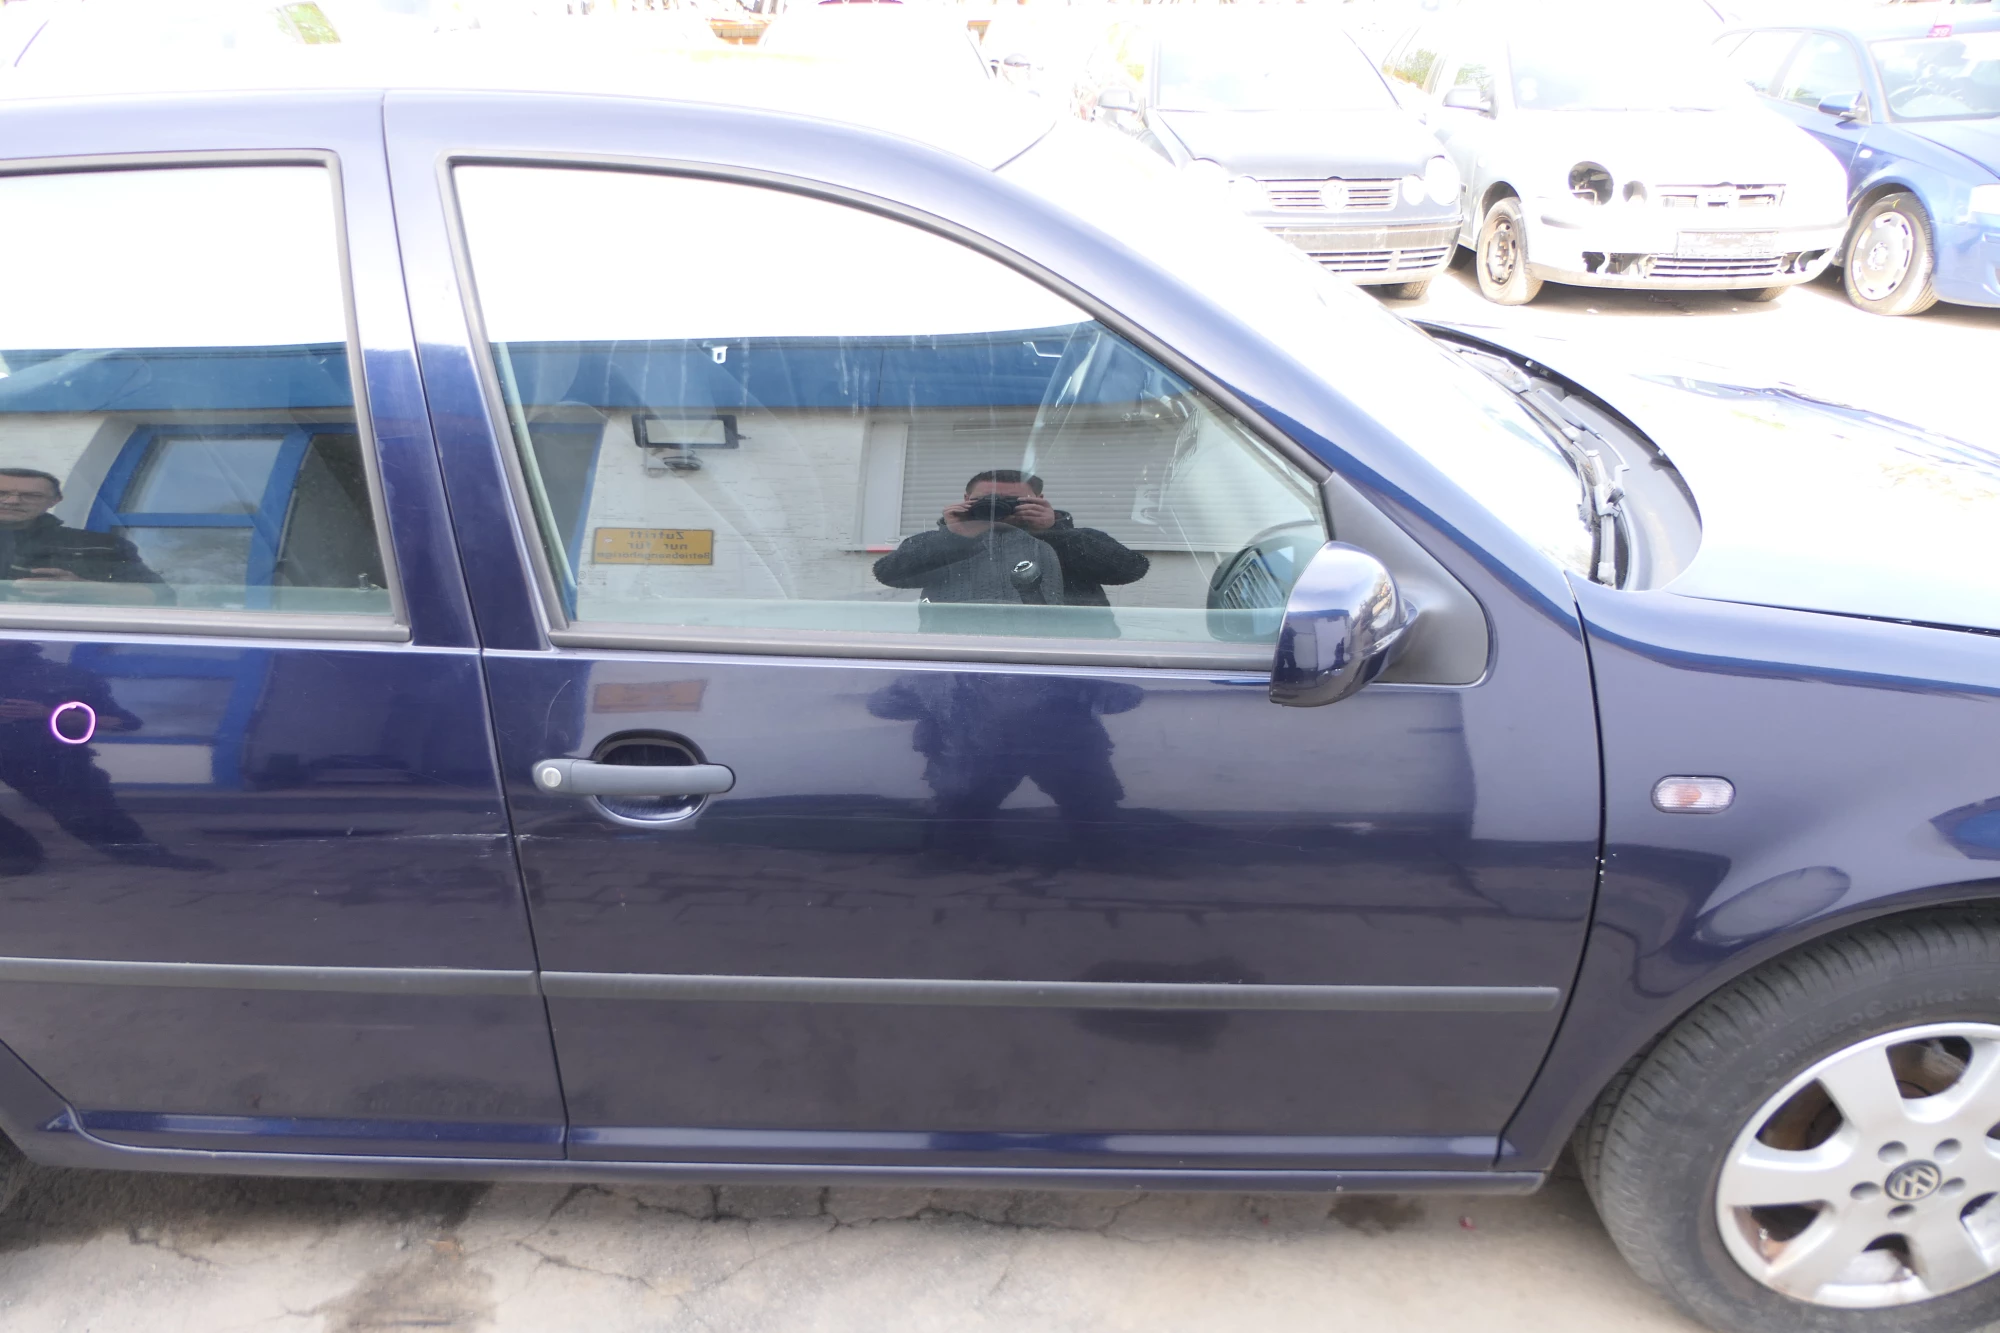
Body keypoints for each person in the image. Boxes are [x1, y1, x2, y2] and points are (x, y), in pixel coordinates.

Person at [871, 469, 1149, 628]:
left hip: (1068, 652)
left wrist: (1052, 532)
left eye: (1013, 502)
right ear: (966, 499)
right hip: (959, 652)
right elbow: (889, 574)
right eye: (987, 501)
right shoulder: (939, 540)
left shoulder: (1076, 538)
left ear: (1039, 499)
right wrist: (957, 536)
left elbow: (1130, 569)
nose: (999, 508)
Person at [0, 467, 169, 601]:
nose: (13, 501)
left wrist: (82, 588)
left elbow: (159, 597)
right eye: (2, 493)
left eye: (31, 495)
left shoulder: (101, 545)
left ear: (55, 500)